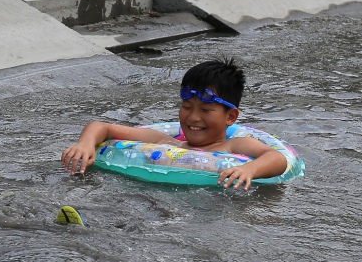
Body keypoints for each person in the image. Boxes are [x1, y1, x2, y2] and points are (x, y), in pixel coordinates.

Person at [61, 57, 286, 191]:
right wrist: (86, 143)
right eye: (187, 107)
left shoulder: (234, 147)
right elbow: (104, 127)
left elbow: (277, 158)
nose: (193, 117)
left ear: (230, 117)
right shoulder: (166, 141)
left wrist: (249, 169)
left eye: (206, 110)